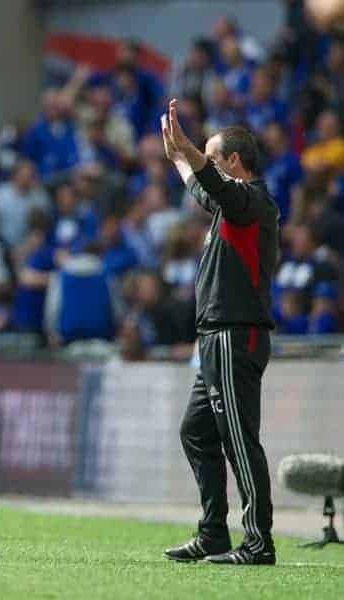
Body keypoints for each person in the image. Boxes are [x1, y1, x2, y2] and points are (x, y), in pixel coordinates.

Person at [162, 99, 279, 565]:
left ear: (233, 162)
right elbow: (204, 190)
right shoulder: (231, 208)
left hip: (236, 335)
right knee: (196, 432)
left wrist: (189, 150)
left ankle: (258, 542)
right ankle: (213, 533)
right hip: (214, 338)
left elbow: (212, 186)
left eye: (213, 158)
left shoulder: (254, 202)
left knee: (237, 437)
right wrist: (179, 159)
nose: (207, 167)